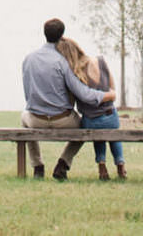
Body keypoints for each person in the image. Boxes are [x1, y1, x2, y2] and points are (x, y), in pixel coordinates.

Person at [20, 16, 114, 180]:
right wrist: (107, 95)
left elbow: (28, 93)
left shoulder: (29, 59)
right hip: (63, 120)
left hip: (36, 119)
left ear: (45, 33)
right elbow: (83, 94)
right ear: (62, 35)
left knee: (24, 119)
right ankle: (64, 162)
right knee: (84, 126)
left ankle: (37, 166)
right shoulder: (61, 62)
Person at [60, 36, 126, 181]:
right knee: (114, 135)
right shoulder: (101, 61)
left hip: (92, 119)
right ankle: (121, 165)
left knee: (96, 131)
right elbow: (113, 90)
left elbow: (74, 100)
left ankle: (102, 166)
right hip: (111, 116)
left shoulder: (75, 73)